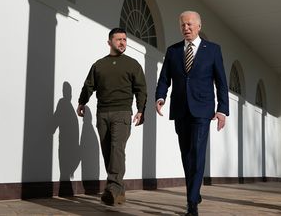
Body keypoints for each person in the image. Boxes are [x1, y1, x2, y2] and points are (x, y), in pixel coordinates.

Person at [155, 11, 229, 216]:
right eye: (182, 26)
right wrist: (160, 97)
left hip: (203, 110)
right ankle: (195, 192)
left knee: (197, 152)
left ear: (198, 26)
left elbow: (221, 82)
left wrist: (222, 110)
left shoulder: (213, 50)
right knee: (186, 155)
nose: (186, 28)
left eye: (189, 25)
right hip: (180, 109)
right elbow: (164, 78)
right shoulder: (173, 51)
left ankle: (191, 203)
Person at [77, 27, 147, 206]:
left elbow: (141, 89)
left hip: (122, 113)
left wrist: (140, 110)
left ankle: (112, 189)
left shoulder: (133, 64)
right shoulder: (99, 65)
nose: (122, 42)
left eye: (124, 39)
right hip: (102, 113)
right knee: (108, 152)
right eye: (118, 39)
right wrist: (82, 102)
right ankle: (119, 192)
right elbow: (89, 85)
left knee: (117, 149)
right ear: (109, 42)